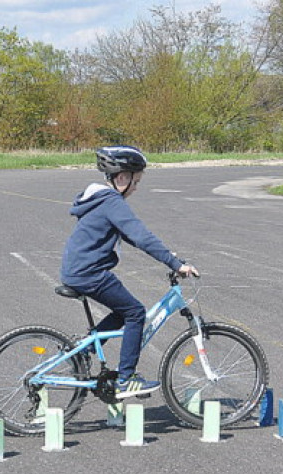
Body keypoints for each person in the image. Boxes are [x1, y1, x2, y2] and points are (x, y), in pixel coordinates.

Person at [60, 145, 198, 398]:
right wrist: (176, 265)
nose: (136, 187)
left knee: (123, 311)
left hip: (79, 271)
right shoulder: (111, 201)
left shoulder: (100, 199)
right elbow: (140, 234)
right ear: (122, 178)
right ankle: (126, 378)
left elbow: (132, 237)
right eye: (136, 181)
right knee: (135, 313)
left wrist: (170, 258)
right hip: (88, 273)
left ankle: (83, 350)